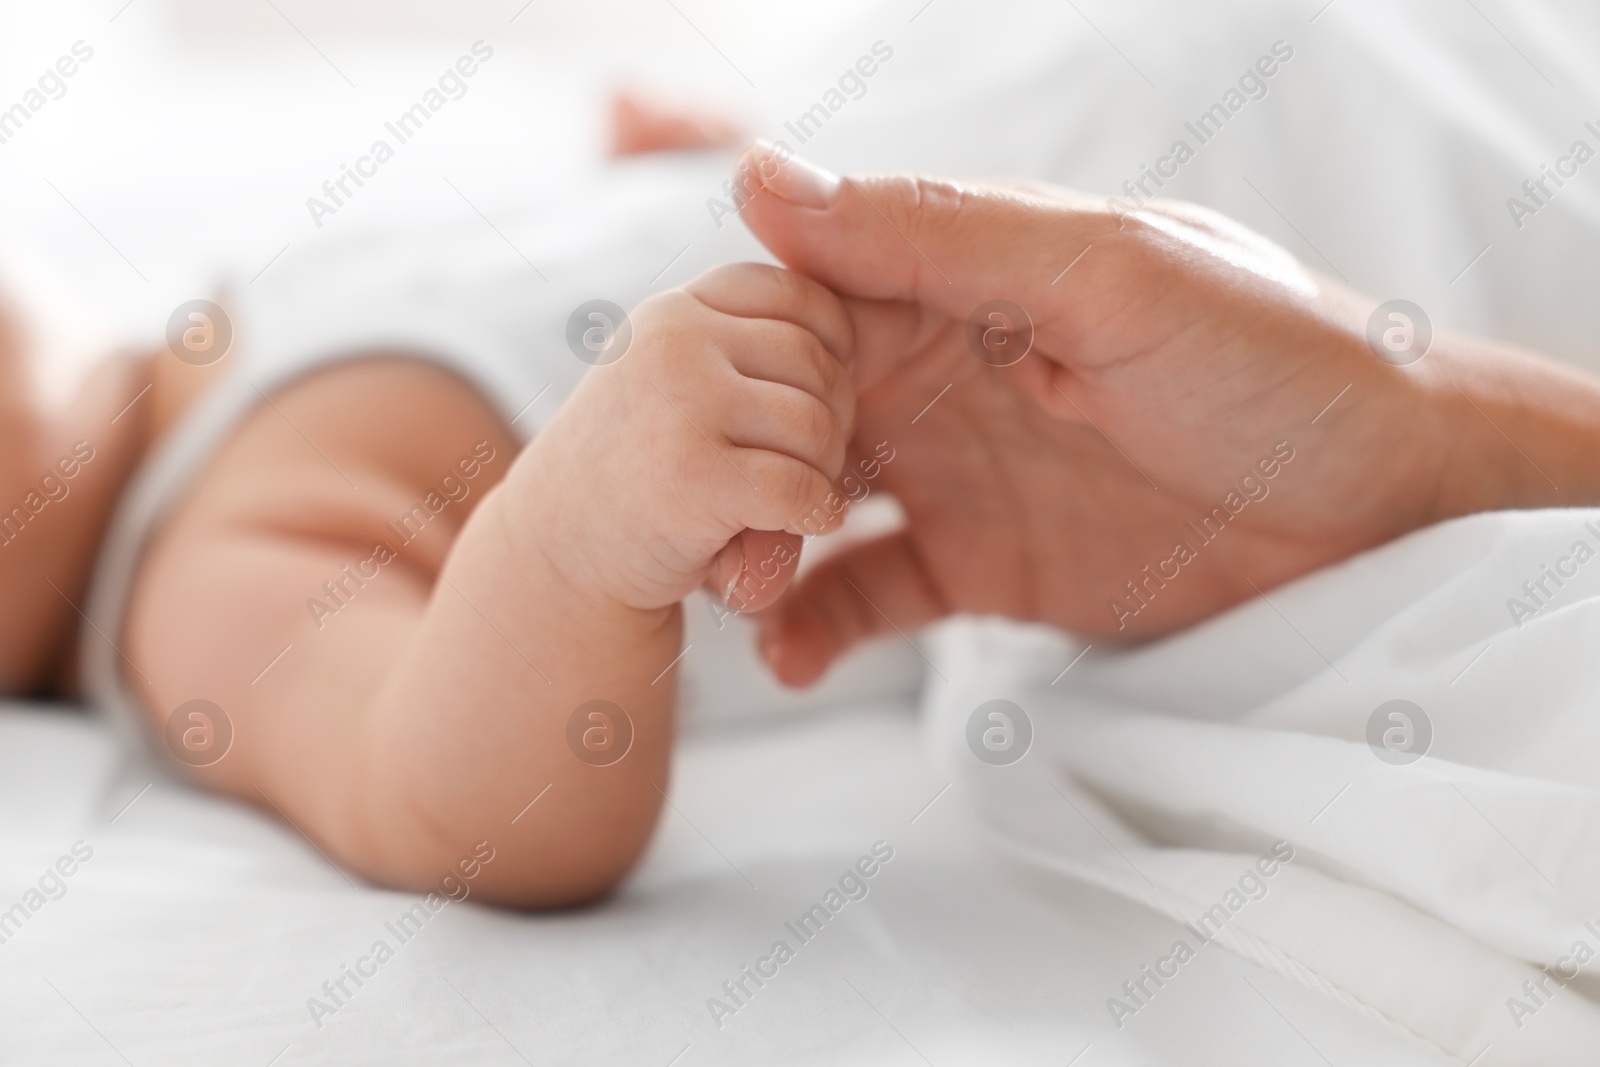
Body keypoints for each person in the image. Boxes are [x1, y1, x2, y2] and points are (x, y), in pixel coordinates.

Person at [4, 132, 1600, 907]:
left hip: (1201, 248)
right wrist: (571, 540)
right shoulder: (189, 570)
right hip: (1208, 389)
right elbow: (440, 797)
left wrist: (669, 161)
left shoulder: (240, 312)